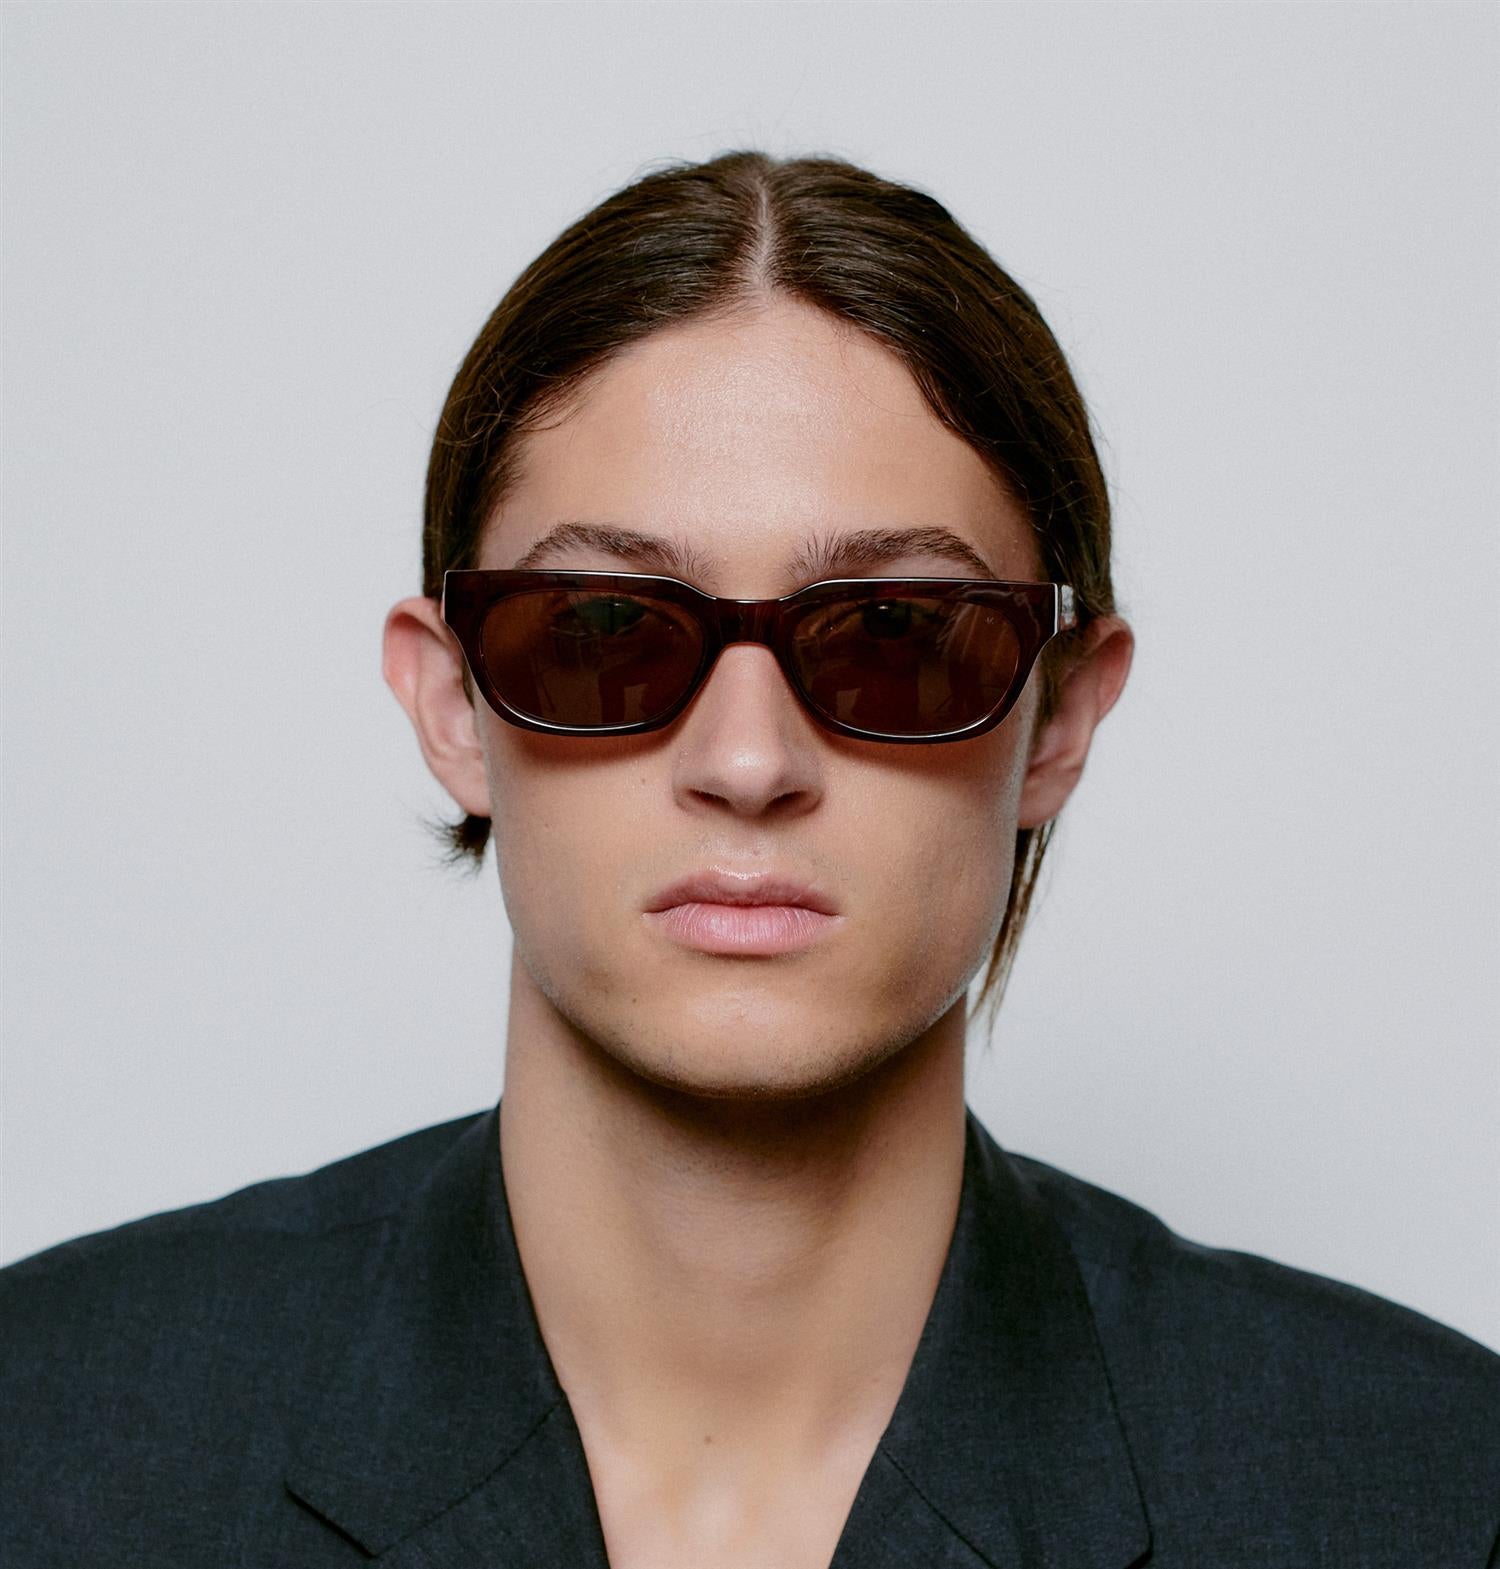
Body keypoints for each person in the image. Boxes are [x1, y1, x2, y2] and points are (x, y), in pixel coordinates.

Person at [1, 150, 1495, 1568]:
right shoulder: (48, 1433)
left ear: (1059, 716)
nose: (747, 761)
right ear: (453, 705)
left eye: (895, 633)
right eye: (603, 628)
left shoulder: (1427, 1490)